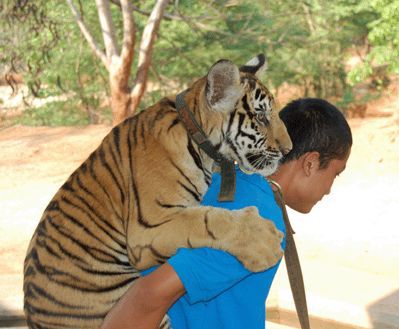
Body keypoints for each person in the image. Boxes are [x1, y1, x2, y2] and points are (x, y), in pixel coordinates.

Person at [101, 98, 353, 329]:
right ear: (310, 163)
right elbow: (150, 293)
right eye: (335, 173)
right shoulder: (258, 220)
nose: (330, 189)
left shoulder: (230, 179)